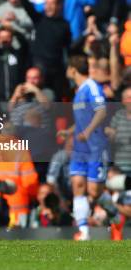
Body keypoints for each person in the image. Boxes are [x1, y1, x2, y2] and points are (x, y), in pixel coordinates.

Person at [58, 55, 108, 241]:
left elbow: (101, 111)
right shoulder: (78, 91)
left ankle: (115, 211)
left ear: (73, 69)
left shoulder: (92, 87)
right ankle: (84, 232)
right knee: (78, 185)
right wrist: (69, 131)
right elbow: (82, 119)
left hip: (95, 146)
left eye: (68, 68)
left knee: (94, 191)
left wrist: (87, 132)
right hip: (80, 148)